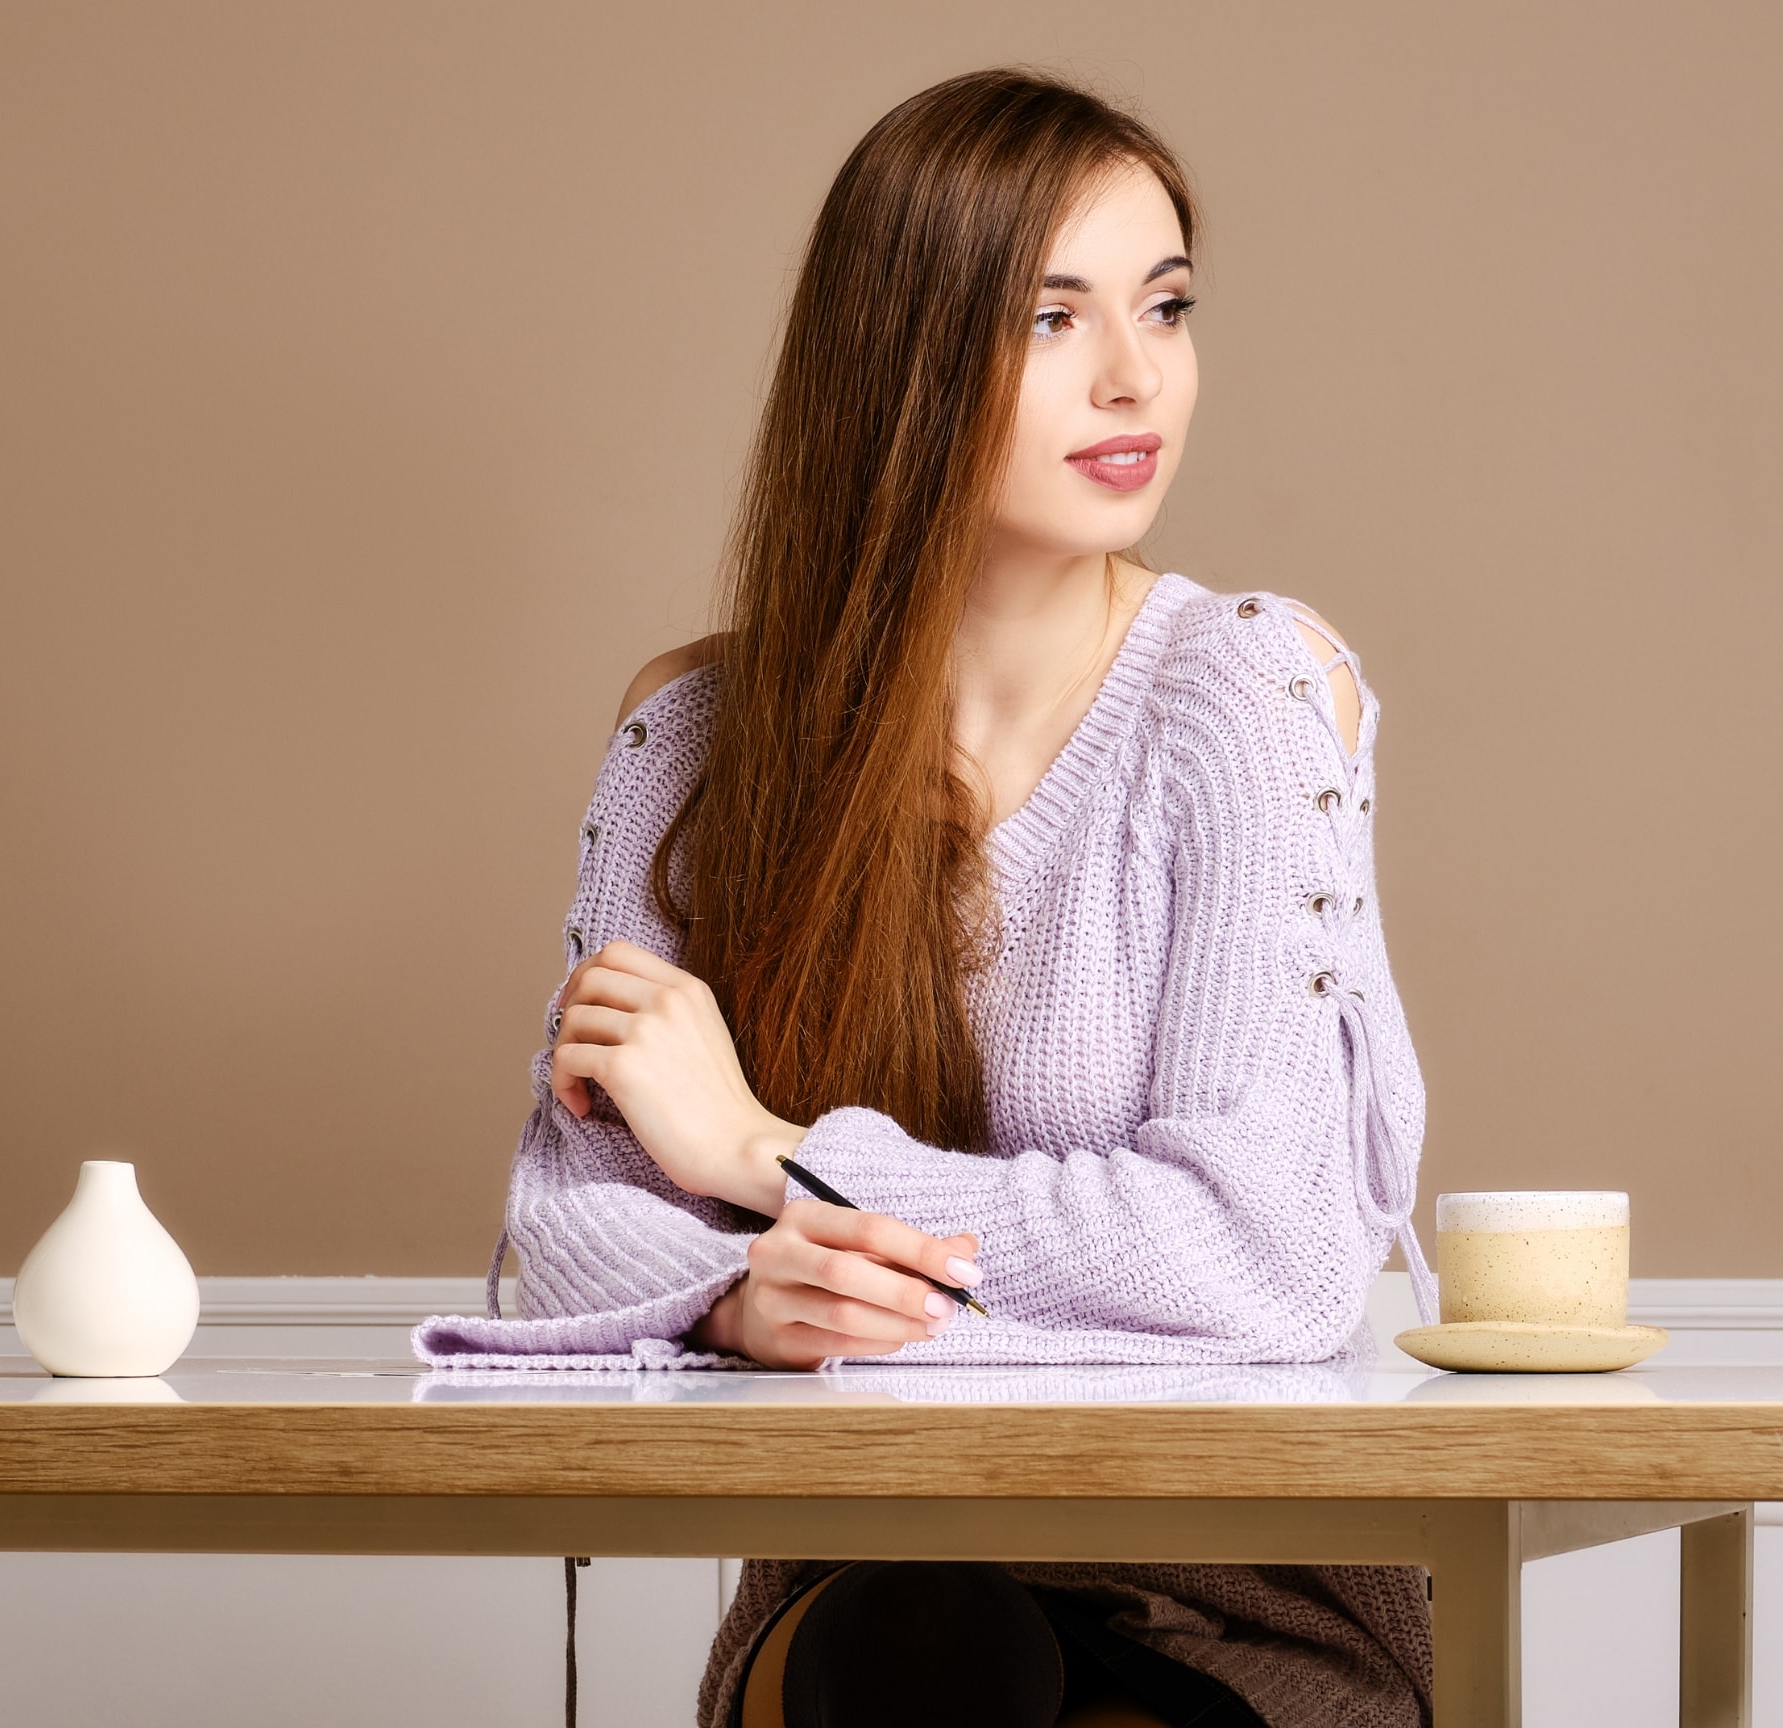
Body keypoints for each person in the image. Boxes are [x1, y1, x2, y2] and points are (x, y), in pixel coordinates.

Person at [413, 68, 1433, 1728]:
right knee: (921, 1646)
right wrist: (736, 1302)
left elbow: (1268, 1257)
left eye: (1165, 307)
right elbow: (569, 1231)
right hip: (873, 1599)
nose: (1134, 377)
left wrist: (767, 1159)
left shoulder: (1248, 696)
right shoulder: (694, 740)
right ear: (900, 356)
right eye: (1049, 319)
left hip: (1223, 1606)